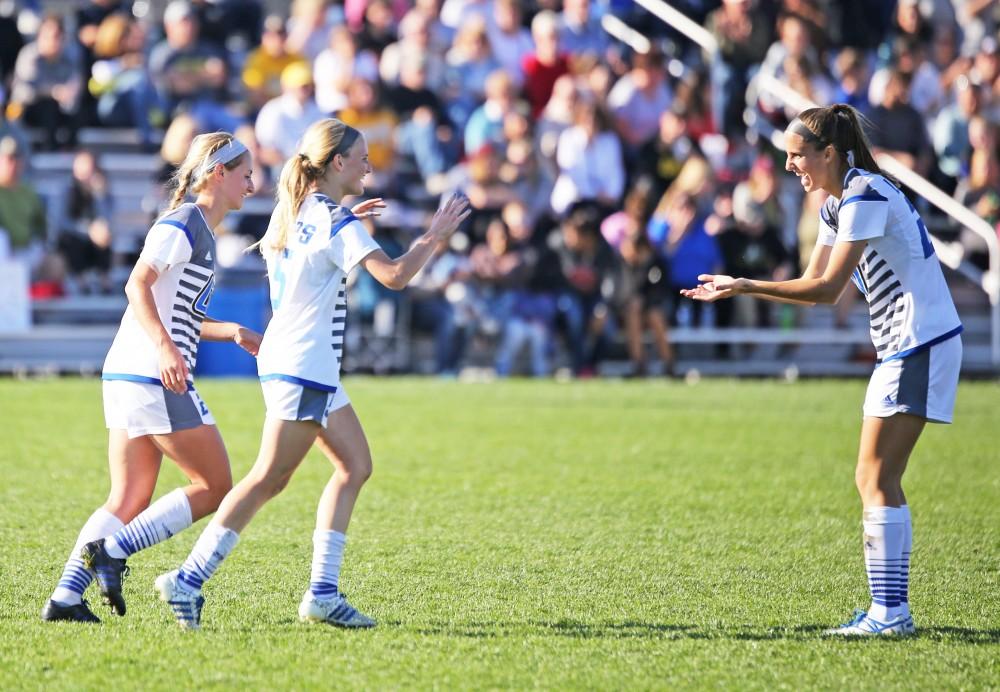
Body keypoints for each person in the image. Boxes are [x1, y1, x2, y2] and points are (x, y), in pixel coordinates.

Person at [155, 118, 470, 630]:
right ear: (338, 163)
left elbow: (316, 249)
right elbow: (394, 277)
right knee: (267, 479)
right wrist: (434, 235)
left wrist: (349, 219)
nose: (370, 164)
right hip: (304, 364)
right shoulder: (333, 219)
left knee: (354, 466)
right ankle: (188, 579)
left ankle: (322, 594)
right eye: (361, 157)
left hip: (299, 361)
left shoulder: (296, 207)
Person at [682, 104, 963, 637]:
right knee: (875, 477)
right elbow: (813, 283)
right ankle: (890, 610)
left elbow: (828, 290)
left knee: (876, 477)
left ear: (829, 154)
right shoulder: (841, 202)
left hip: (918, 342)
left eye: (796, 156)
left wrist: (744, 284)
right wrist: (742, 283)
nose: (789, 166)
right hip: (906, 346)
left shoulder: (864, 195)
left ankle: (890, 614)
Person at [40, 132, 262, 623]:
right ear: (217, 172)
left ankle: (65, 596)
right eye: (245, 172)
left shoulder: (200, 226)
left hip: (129, 372)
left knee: (128, 496)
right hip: (150, 372)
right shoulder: (185, 220)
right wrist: (165, 347)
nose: (253, 181)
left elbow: (172, 307)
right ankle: (114, 550)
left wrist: (229, 331)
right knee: (215, 483)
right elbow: (136, 283)